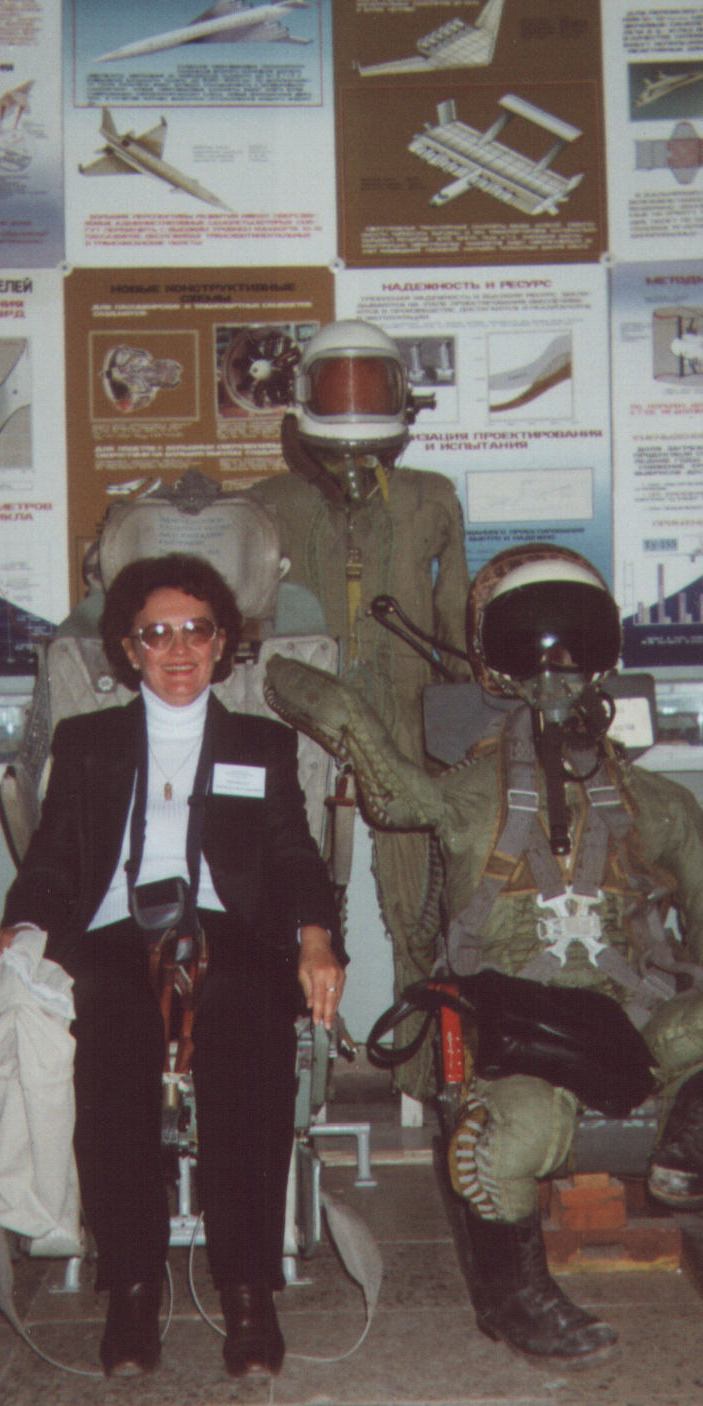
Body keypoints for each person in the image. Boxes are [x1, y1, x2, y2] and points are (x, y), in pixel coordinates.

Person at [266, 545, 703, 1363]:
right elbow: (388, 792)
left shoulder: (661, 806)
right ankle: (516, 1300)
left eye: (577, 643)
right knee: (506, 1142)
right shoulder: (466, 795)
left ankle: (689, 1149)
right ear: (495, 665)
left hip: (645, 1027)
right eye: (533, 644)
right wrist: (313, 689)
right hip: (527, 1038)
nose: (557, 669)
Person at [0, 553, 345, 1378]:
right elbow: (54, 860)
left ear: (223, 643)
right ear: (128, 648)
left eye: (196, 631)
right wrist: (20, 926)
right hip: (114, 931)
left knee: (248, 1025)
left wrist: (316, 937)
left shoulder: (262, 744)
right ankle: (134, 1287)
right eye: (157, 634)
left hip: (231, 931)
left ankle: (247, 1291)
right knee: (108, 1035)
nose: (179, 650)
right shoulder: (88, 742)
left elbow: (293, 855)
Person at [252, 320, 470, 1088]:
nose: (354, 405)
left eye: (371, 386)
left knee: (420, 903)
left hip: (405, 712)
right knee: (295, 897)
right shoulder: (268, 504)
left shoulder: (429, 500)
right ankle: (288, 1075)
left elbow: (454, 621)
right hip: (298, 712)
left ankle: (429, 1079)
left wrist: (467, 726)